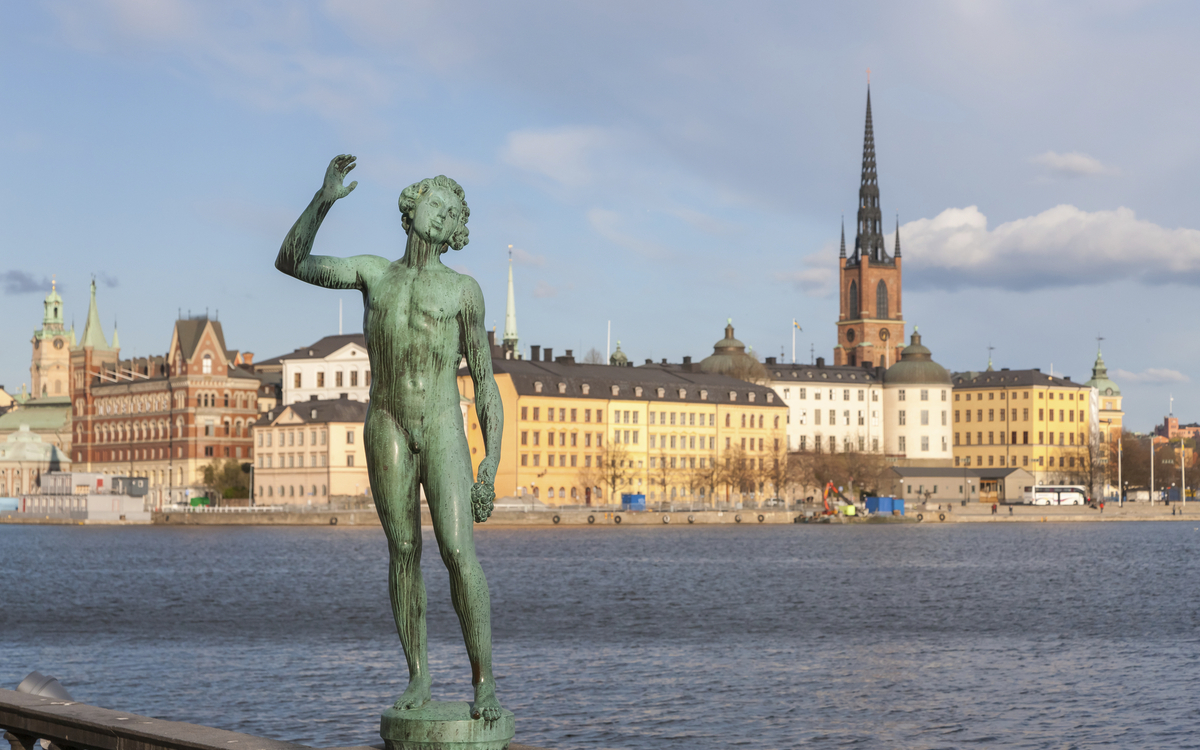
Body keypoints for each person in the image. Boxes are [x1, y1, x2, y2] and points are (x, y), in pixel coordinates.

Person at [276, 155, 504, 721]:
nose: (441, 212)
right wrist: (324, 198)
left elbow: (485, 385)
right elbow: (291, 260)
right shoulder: (374, 273)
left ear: (455, 231)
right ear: (412, 205)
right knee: (403, 551)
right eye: (435, 201)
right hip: (387, 424)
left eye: (452, 211)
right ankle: (419, 679)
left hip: (444, 425)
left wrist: (489, 465)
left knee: (456, 552)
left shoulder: (464, 293)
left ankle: (485, 683)